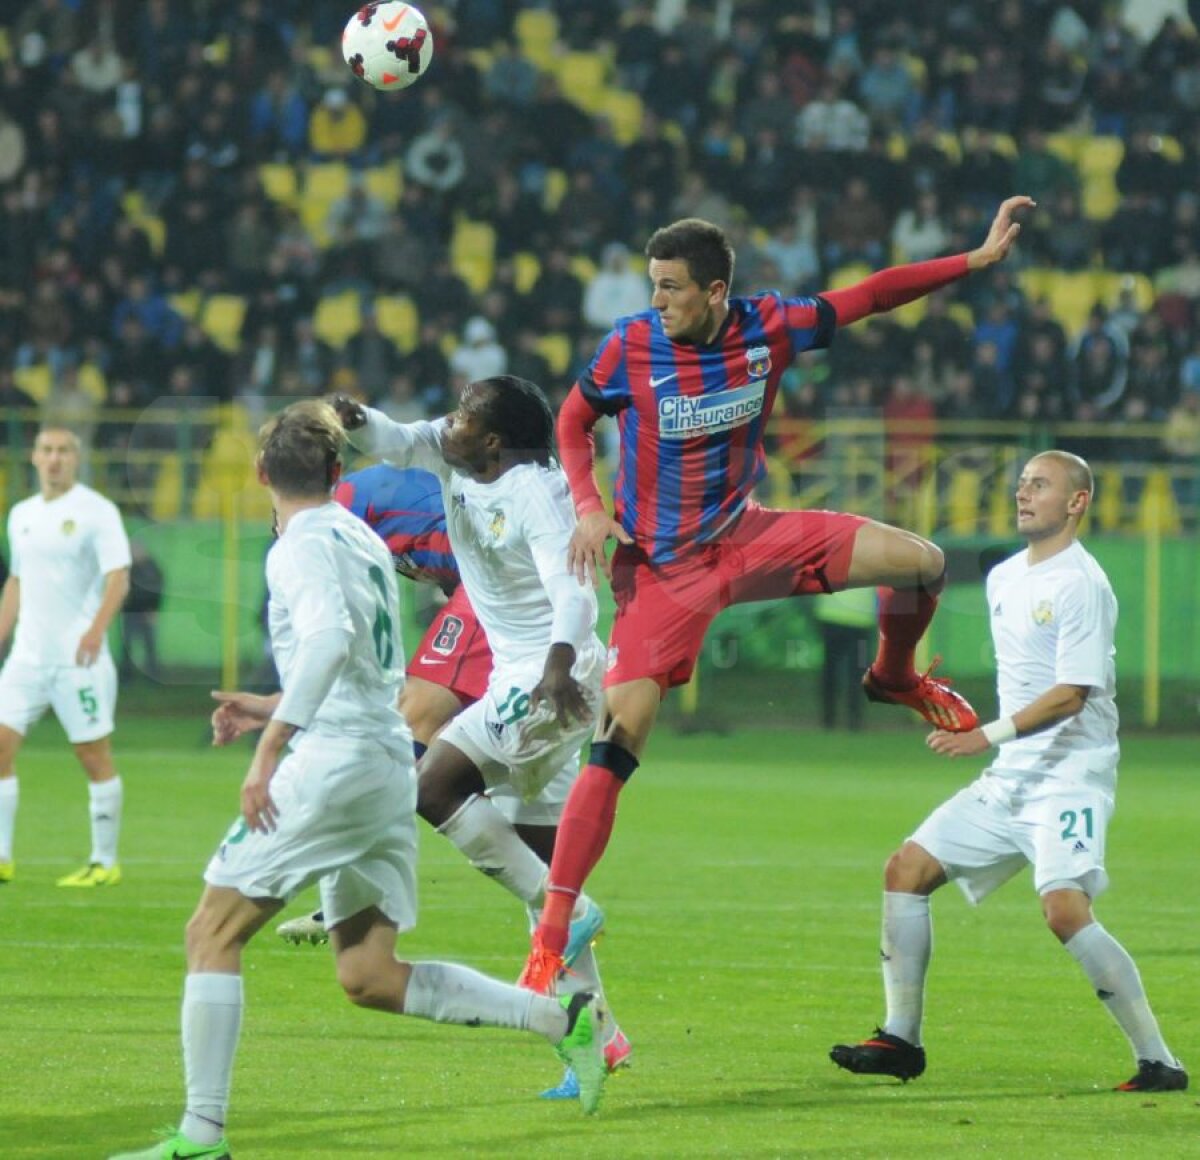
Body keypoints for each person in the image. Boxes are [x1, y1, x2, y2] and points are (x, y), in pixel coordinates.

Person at [520, 197, 1035, 991]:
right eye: (653, 284)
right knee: (619, 738)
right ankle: (551, 932)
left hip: (749, 536)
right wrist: (589, 505)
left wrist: (974, 259)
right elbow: (572, 419)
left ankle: (894, 676)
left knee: (924, 563)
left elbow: (871, 295)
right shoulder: (631, 344)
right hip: (663, 569)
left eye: (670, 287)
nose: (656, 300)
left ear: (715, 291)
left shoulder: (770, 326)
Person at [108, 401, 610, 1160]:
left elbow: (326, 643)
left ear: (259, 474)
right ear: (338, 471)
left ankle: (201, 1133)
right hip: (382, 767)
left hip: (333, 767)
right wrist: (271, 703)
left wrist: (270, 747)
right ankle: (557, 1018)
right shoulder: (362, 539)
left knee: (209, 933)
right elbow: (366, 664)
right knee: (369, 974)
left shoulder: (299, 546)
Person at [225, 462, 631, 1097]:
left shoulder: (334, 517)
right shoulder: (359, 506)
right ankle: (599, 1033)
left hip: (505, 610)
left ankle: (349, 878)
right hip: (526, 622)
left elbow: (350, 638)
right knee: (537, 854)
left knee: (413, 730)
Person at [831, 451, 1188, 1094]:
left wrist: (984, 735)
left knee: (1064, 910)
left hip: (1071, 775)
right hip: (1012, 775)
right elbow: (1024, 681)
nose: (1024, 494)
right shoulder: (1004, 577)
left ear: (1076, 502)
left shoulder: (1082, 584)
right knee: (906, 871)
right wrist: (933, 702)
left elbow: (1072, 694)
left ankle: (1159, 1062)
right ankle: (900, 1039)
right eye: (1022, 484)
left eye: (1040, 485)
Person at [0, 426, 131, 886]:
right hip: (27, 658)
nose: (54, 459)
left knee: (92, 755)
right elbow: (17, 581)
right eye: (46, 450)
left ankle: (104, 862)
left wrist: (96, 631)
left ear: (76, 459)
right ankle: (2, 856)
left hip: (78, 659)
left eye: (63, 451)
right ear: (34, 458)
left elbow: (119, 577)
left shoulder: (97, 511)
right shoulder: (21, 514)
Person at [119, 541, 165, 682]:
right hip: (130, 612)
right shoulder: (129, 568)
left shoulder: (152, 568)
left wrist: (154, 609)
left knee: (149, 645)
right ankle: (127, 675)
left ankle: (152, 675)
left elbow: (158, 589)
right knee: (127, 646)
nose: (134, 553)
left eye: (135, 550)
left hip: (146, 612)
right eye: (132, 551)